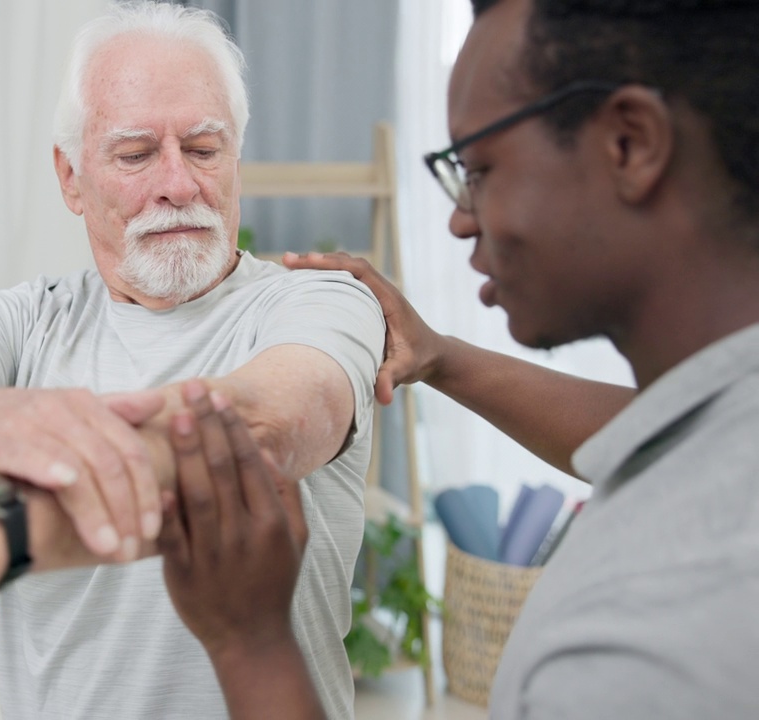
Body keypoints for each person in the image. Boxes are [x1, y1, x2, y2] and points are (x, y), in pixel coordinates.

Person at [0, 3, 385, 718]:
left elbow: (265, 428)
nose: (178, 184)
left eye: (205, 149)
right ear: (71, 178)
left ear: (236, 159)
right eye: (135, 153)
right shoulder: (30, 320)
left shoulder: (321, 301)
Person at [169, 0, 759, 717]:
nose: (458, 217)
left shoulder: (653, 635)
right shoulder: (726, 421)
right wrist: (442, 358)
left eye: (479, 166)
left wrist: (251, 643)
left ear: (630, 145)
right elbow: (662, 435)